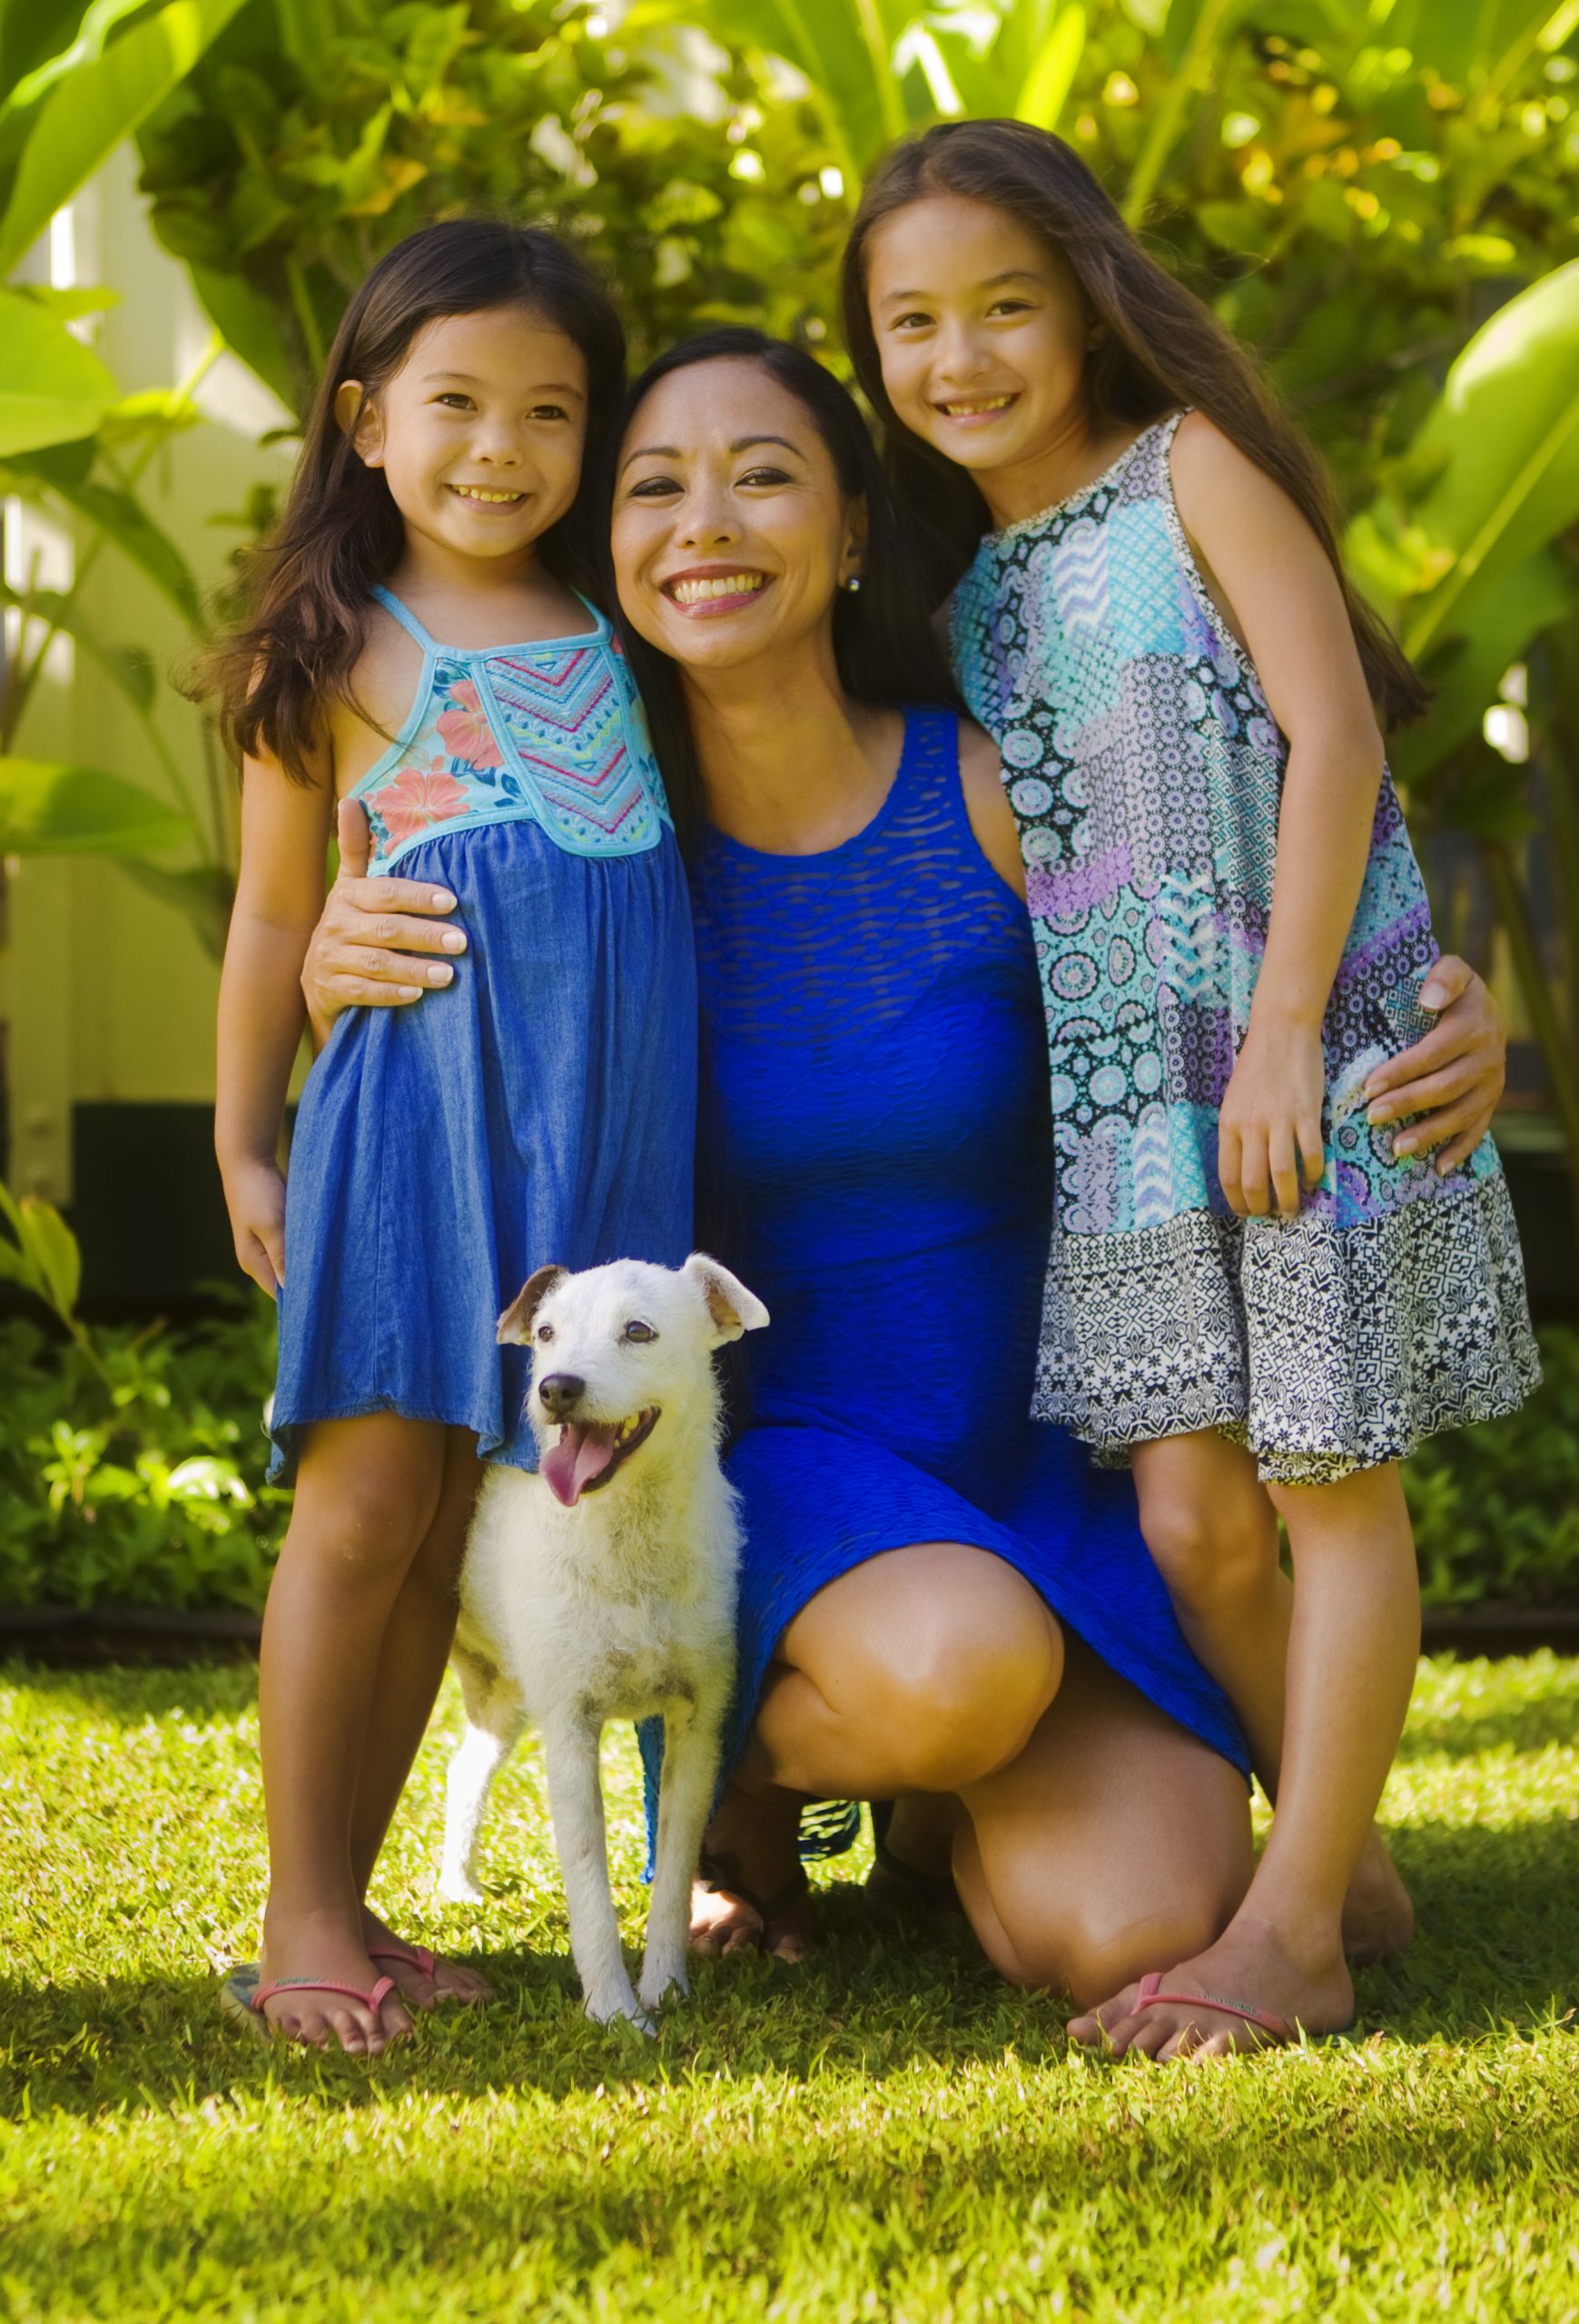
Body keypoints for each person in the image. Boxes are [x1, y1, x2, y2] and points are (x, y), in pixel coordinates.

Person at [299, 330, 1514, 2014]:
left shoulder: (996, 785)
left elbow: (1224, 934)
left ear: (856, 528)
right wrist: (326, 956)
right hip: (785, 1472)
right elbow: (400, 935)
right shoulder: (593, 848)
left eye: (766, 474)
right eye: (654, 488)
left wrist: (1443, 1007)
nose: (706, 522)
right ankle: (740, 1784)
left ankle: (944, 1812)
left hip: (1043, 1462)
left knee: (1127, 1928)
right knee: (956, 1669)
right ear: (613, 554)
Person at [839, 119, 1540, 2054]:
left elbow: (1332, 741)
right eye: (912, 323)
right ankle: (1356, 1859)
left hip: (1299, 1048)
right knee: (1193, 1523)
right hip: (1131, 1112)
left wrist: (1302, 1020)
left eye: (1004, 305)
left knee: (1326, 1486)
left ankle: (1298, 1915)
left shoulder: (1195, 473)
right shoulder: (965, 598)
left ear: (1086, 304)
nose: (960, 355)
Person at [210, 221, 696, 2053]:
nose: (502, 447)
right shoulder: (334, 644)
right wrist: (245, 1142)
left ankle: (364, 1894)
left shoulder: (627, 619)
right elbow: (272, 918)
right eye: (457, 404)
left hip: (595, 1139)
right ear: (364, 419)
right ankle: (301, 1916)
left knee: (447, 1531)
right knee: (362, 1506)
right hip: (413, 1134)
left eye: (551, 412)